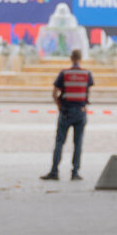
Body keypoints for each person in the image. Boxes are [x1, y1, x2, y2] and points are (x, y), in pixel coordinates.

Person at [42, 49, 92, 181]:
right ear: (80, 58)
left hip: (66, 112)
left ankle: (54, 171)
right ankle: (75, 172)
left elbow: (54, 93)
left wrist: (59, 106)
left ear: (71, 58)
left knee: (60, 141)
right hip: (80, 112)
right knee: (78, 143)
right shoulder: (87, 74)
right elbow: (87, 93)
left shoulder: (64, 74)